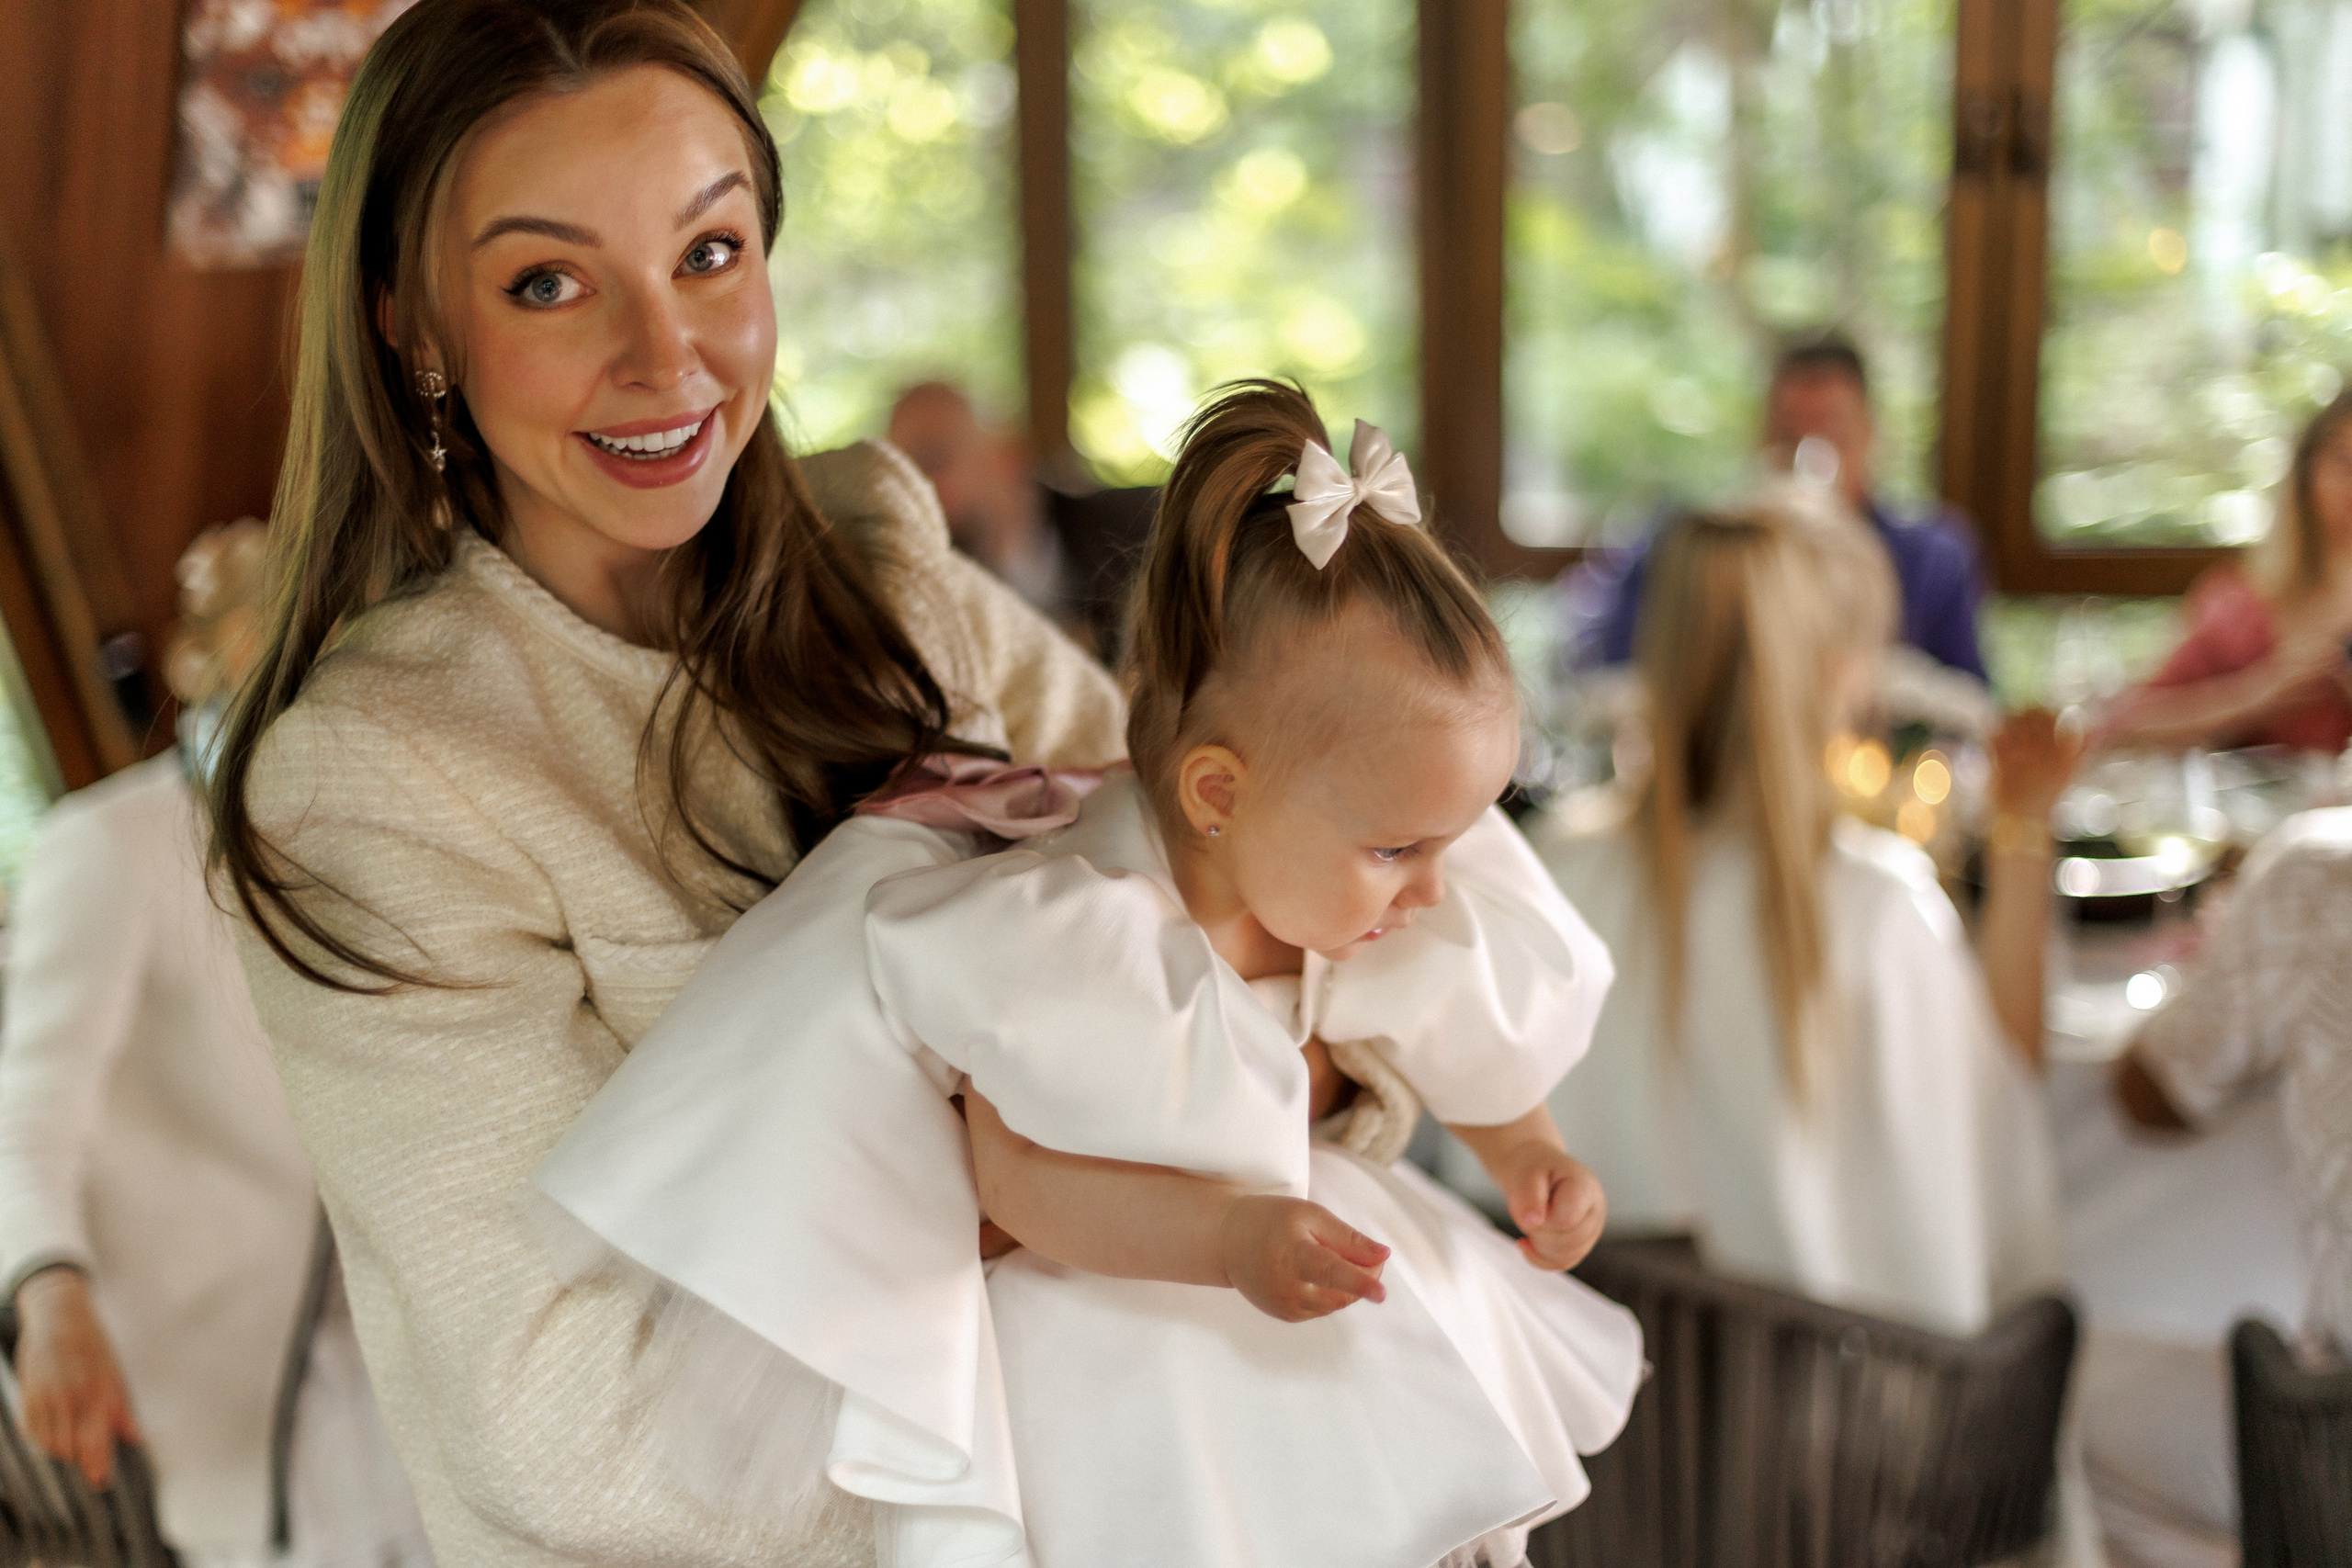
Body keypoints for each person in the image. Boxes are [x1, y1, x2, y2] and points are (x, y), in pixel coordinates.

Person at [208, 5, 1125, 1565]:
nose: (666, 355)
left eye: (710, 254)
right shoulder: (373, 778)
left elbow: (1243, 904)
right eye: (549, 281)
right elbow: (578, 1429)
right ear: (413, 327)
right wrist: (1125, 1215)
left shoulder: (883, 554)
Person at [536, 383, 1641, 1568]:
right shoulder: (1074, 942)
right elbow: (1014, 1178)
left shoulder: (1341, 898)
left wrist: (1526, 1154)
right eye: (1395, 850)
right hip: (1123, 1321)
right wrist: (1225, 1242)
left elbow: (1449, 1032)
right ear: (1218, 796)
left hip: (1308, 1286)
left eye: (1445, 846)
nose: (1431, 890)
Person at [1525, 485, 2071, 1337]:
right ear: (1840, 669)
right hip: (1846, 1442)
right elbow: (1994, 1157)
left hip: (1601, 1431)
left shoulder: (1551, 876)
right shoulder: (1875, 910)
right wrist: (2025, 828)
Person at [0, 522, 427, 1568]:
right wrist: (48, 1293)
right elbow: (27, 1122)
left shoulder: (388, 826)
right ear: (230, 654)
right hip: (245, 1394)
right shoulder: (112, 847)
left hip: (415, 1355)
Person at [2088, 810, 2352, 1562]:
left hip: (2334, 1447)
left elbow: (2151, 1096)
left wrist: (2237, 950)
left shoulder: (2320, 875)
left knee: (2061, 1407)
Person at [1571, 331, 1988, 683]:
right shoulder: (1694, 550)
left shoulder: (1932, 557)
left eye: (1831, 431)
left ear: (1871, 433)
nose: (1809, 457)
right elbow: (1605, 671)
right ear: (1759, 437)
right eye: (1788, 435)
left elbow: (1969, 706)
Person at [2097, 390, 2352, 753]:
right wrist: (2261, 693)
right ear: (2306, 472)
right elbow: (2124, 725)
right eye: (2342, 459)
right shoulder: (2240, 605)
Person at [887, 380, 1156, 659]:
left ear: (1008, 457)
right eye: (901, 473)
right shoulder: (921, 593)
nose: (914, 490)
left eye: (932, 462)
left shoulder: (1139, 529)